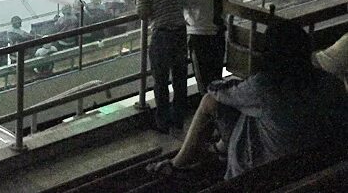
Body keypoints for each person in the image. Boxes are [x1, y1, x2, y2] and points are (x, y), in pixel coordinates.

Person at [148, 22, 348, 179]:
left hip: (259, 176)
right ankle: (216, 151)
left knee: (217, 101)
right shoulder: (331, 84)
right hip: (313, 169)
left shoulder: (265, 86)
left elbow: (217, 91)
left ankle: (177, 164)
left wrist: (245, 82)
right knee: (249, 108)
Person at [135, 0, 188, 133]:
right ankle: (179, 118)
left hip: (163, 35)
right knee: (180, 78)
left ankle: (163, 121)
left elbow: (143, 13)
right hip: (180, 32)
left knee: (161, 80)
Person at [181, 0, 228, 94]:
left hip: (200, 35)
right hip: (218, 34)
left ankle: (206, 106)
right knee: (216, 74)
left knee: (203, 77)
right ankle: (218, 104)